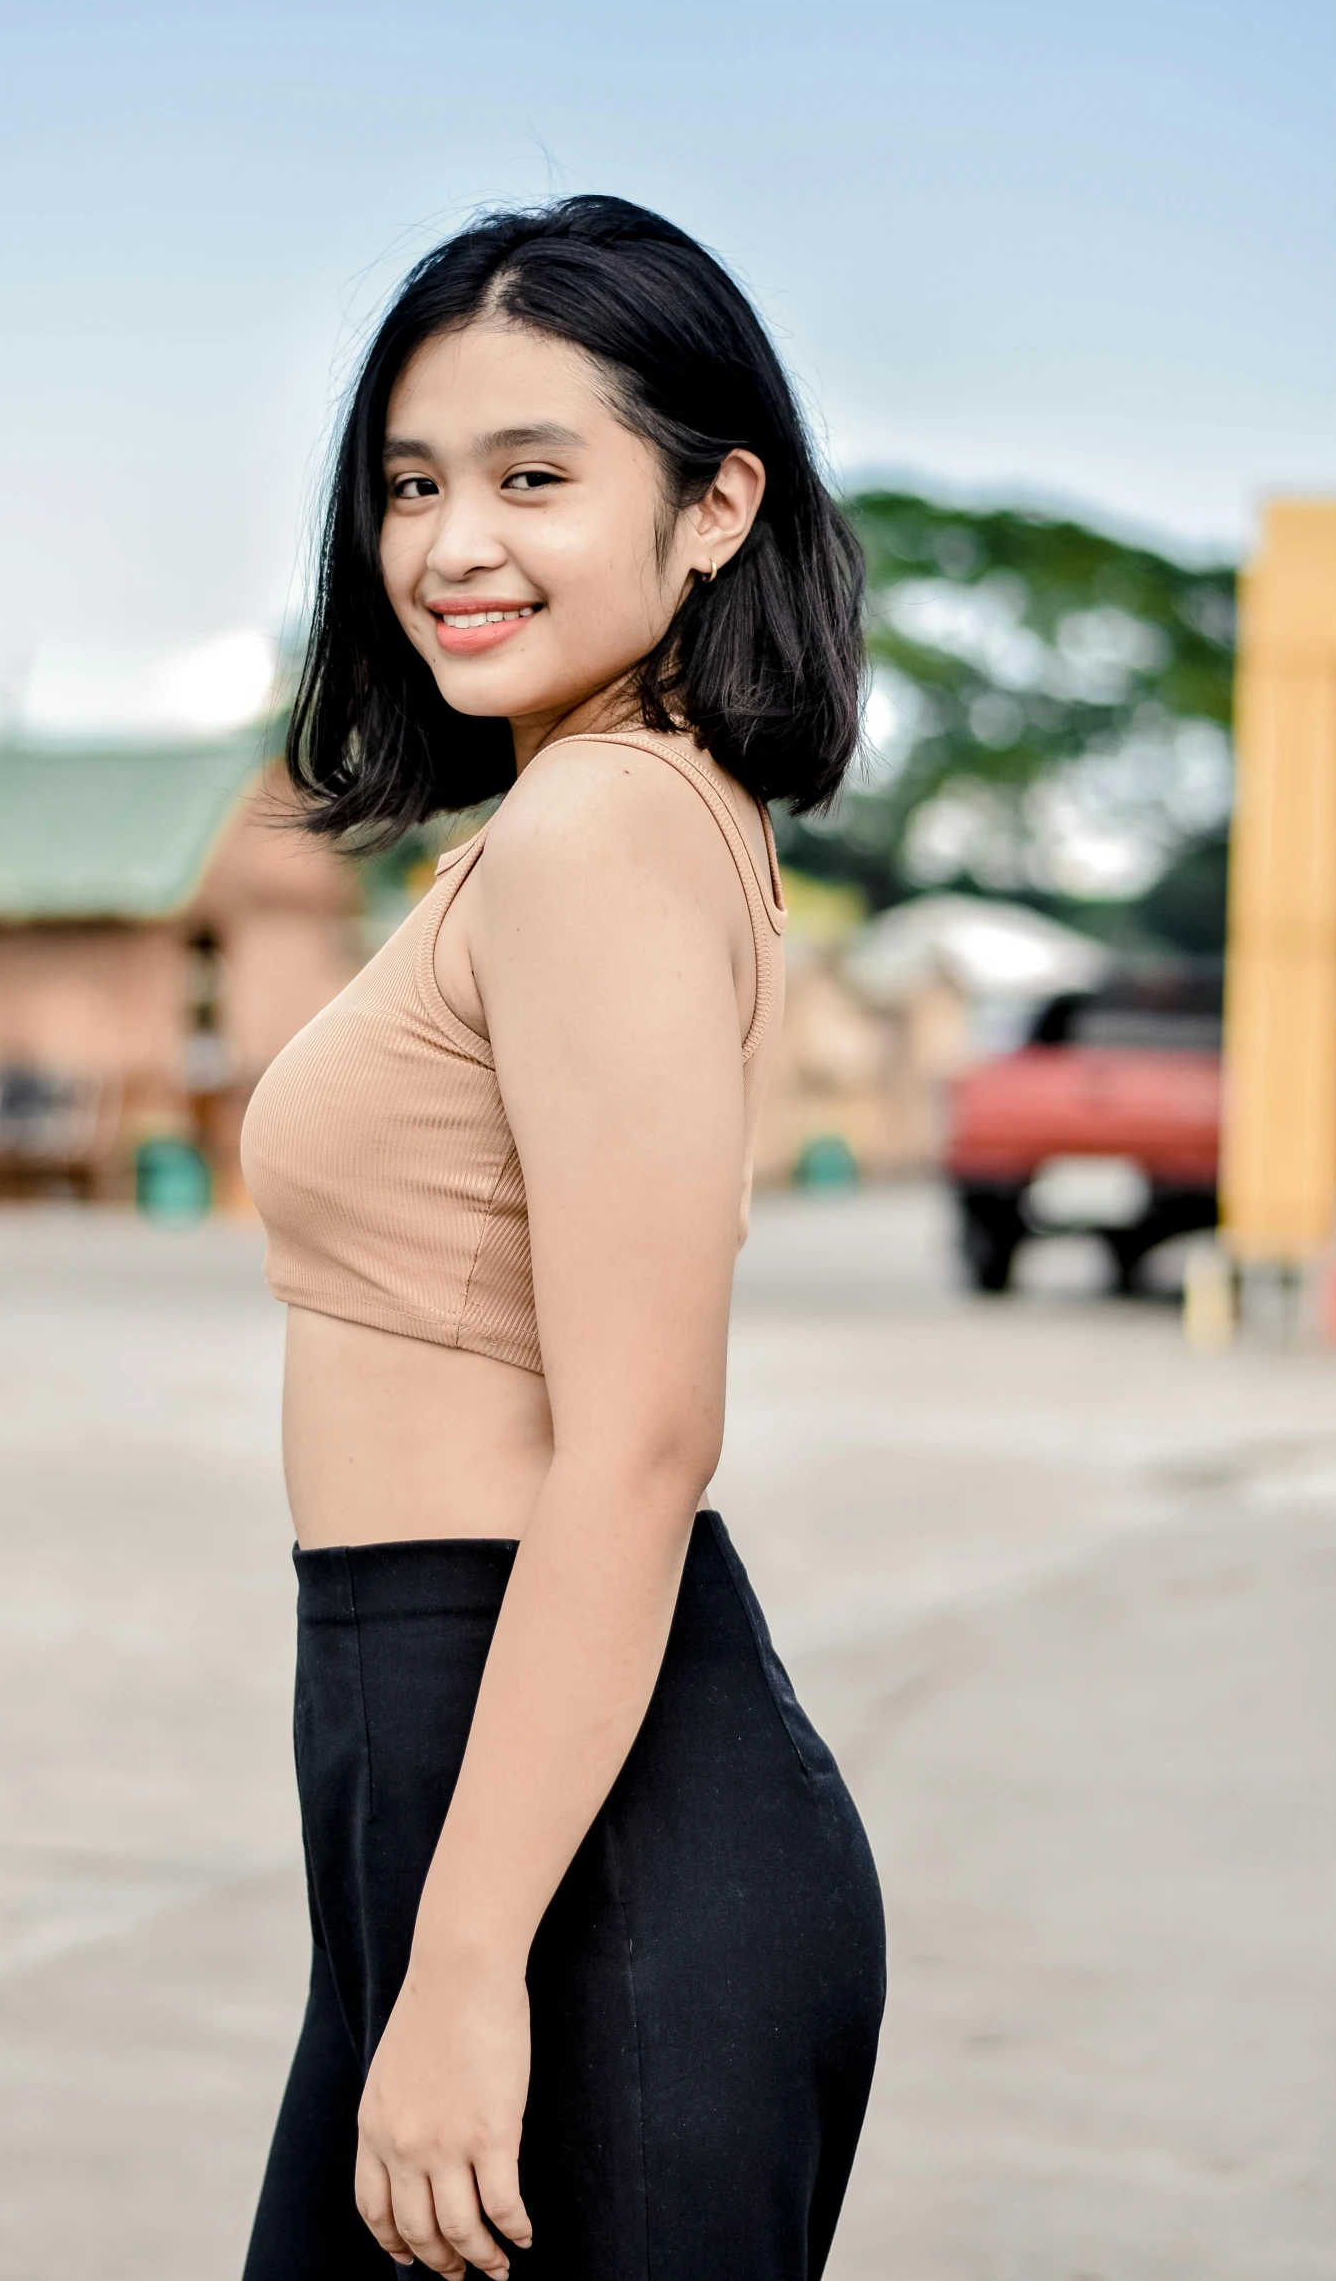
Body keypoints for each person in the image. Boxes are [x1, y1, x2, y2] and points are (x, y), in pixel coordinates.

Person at [240, 194, 885, 2281]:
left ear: (715, 506)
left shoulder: (606, 825)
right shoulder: (590, 817)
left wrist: (462, 1964)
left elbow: (639, 1437)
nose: (452, 544)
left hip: (570, 1836)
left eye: (536, 476)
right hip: (466, 1774)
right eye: (413, 483)